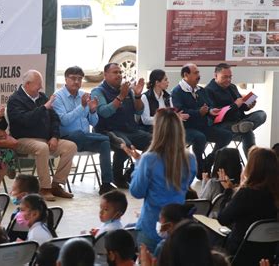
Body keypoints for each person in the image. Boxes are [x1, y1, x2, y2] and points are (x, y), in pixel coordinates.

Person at [129, 108, 197, 253]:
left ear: (157, 130)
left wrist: (137, 165)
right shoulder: (190, 159)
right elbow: (186, 185)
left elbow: (137, 191)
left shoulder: (149, 158)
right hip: (177, 226)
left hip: (151, 225)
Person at [7, 70, 77, 201]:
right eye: (38, 84)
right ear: (27, 84)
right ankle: (45, 188)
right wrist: (44, 108)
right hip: (23, 140)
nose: (41, 87)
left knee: (71, 146)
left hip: (46, 139)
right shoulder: (15, 100)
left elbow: (55, 119)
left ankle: (56, 184)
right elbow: (24, 120)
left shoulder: (42, 97)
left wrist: (55, 136)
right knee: (42, 148)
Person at [53, 66, 115, 195]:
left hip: (85, 138)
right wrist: (82, 107)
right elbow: (64, 121)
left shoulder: (84, 95)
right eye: (73, 78)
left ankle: (106, 184)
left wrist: (92, 111)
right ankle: (106, 138)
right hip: (68, 138)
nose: (76, 82)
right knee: (82, 134)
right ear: (65, 79)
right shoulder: (58, 97)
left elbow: (94, 122)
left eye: (80, 79)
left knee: (104, 143)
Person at [91, 63, 152, 189]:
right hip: (108, 130)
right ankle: (117, 175)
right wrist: (121, 97)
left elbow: (139, 111)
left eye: (120, 72)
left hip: (131, 129)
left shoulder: (127, 90)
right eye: (115, 72)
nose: (119, 75)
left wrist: (138, 96)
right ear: (105, 74)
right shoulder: (98, 91)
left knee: (156, 142)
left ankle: (131, 172)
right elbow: (104, 112)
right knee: (126, 145)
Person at [217, 147, 279, 263]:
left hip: (238, 256)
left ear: (253, 168)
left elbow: (222, 219)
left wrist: (228, 192)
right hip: (266, 258)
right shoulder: (275, 195)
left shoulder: (246, 194)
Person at [171, 63, 233, 177]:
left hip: (203, 126)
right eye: (195, 73)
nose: (199, 75)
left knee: (227, 135)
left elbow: (208, 105)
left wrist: (210, 111)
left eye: (198, 72)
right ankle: (199, 166)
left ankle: (209, 160)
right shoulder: (177, 92)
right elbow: (180, 112)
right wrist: (198, 112)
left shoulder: (201, 90)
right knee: (200, 137)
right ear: (185, 75)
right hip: (186, 129)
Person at [205, 63, 267, 157]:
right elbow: (216, 115)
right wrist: (234, 105)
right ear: (215, 75)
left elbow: (241, 107)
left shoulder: (232, 87)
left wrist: (248, 106)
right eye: (225, 77)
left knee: (262, 114)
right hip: (222, 125)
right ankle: (252, 166)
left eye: (230, 77)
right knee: (247, 132)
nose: (228, 80)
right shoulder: (208, 91)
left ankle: (242, 126)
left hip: (239, 120)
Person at [7, 174, 40, 241]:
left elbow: (10, 238)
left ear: (24, 195)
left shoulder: (18, 216)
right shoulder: (46, 212)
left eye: (13, 190)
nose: (11, 193)